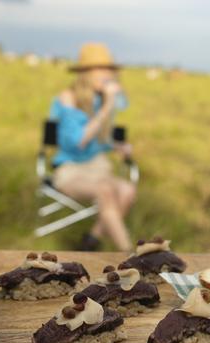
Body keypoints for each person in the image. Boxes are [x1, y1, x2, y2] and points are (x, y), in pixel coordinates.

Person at [49, 43, 136, 252]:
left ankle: (91, 241)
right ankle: (130, 253)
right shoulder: (68, 98)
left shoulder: (100, 98)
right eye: (101, 69)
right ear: (86, 73)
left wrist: (117, 145)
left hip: (98, 167)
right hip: (71, 169)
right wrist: (106, 107)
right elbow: (78, 141)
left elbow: (98, 137)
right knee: (105, 191)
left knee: (127, 190)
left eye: (109, 70)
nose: (107, 75)